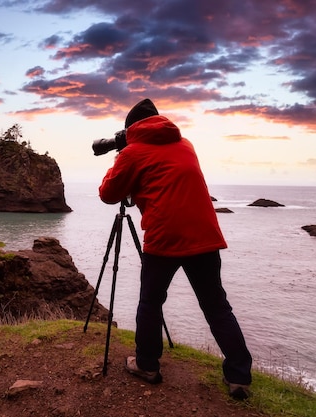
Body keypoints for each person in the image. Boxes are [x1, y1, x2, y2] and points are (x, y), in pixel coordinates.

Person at [98, 98, 253, 400]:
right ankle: (239, 377)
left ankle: (147, 366)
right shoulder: (186, 144)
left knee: (151, 302)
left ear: (131, 130)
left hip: (165, 238)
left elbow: (108, 194)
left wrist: (118, 161)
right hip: (205, 235)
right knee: (217, 307)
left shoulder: (132, 153)